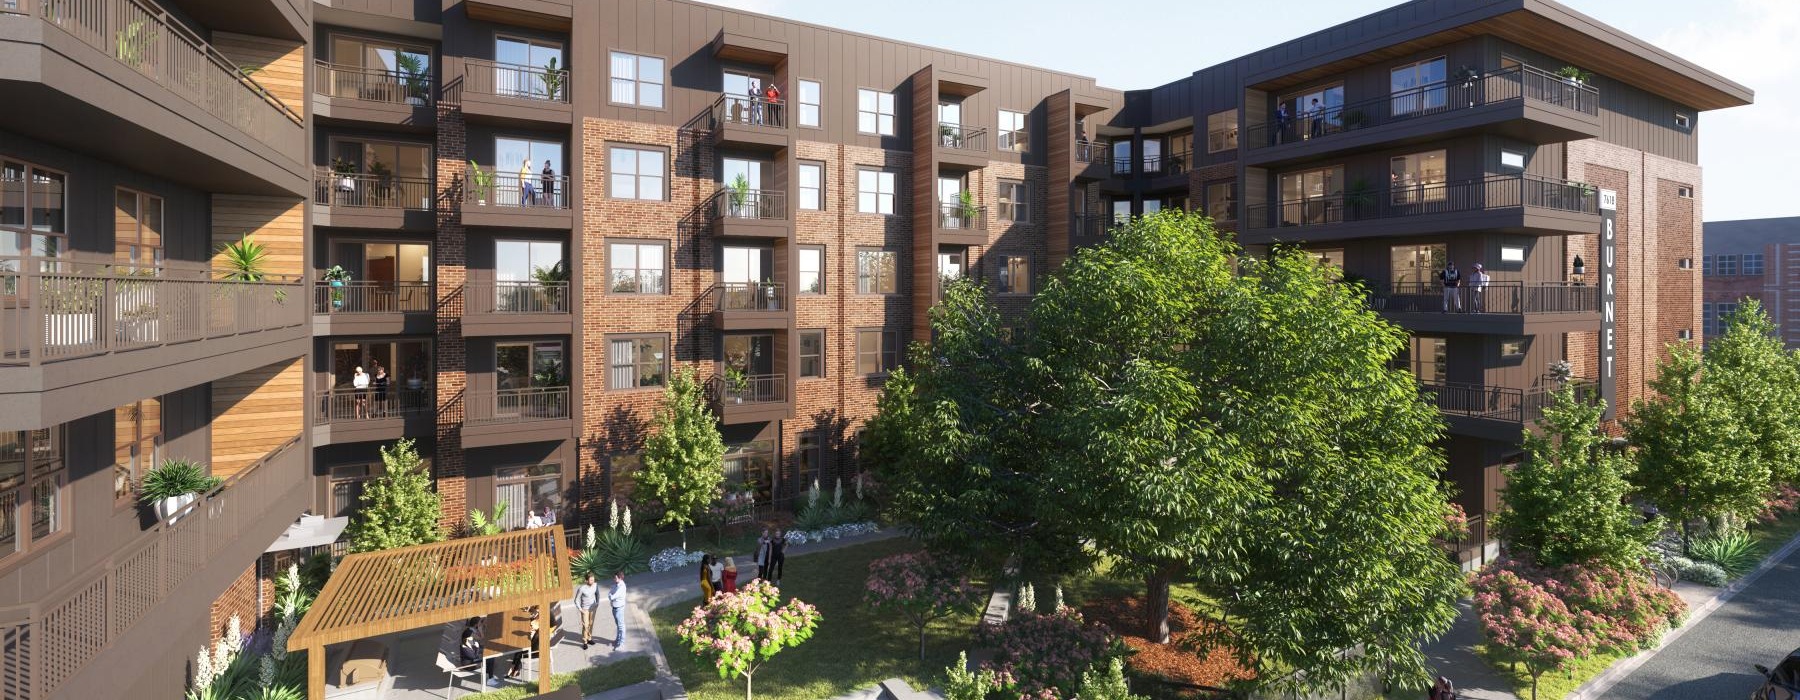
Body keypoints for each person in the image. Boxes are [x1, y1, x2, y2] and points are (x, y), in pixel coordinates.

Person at [507, 607, 541, 679]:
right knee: (518, 651)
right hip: (533, 646)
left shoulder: (537, 628)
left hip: (535, 652)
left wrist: (530, 632)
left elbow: (533, 641)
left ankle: (513, 669)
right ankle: (514, 669)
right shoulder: (537, 625)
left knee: (519, 651)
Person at [574, 572, 600, 650]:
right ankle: (585, 642)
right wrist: (580, 609)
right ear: (586, 580)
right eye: (591, 580)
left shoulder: (595, 585)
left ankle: (589, 638)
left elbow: (597, 594)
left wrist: (597, 602)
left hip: (592, 608)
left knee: (591, 624)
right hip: (584, 609)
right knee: (585, 626)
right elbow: (576, 600)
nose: (592, 581)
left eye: (593, 580)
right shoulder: (582, 589)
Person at [607, 571, 628, 651]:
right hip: (615, 607)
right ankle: (618, 640)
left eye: (615, 578)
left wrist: (610, 595)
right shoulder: (616, 585)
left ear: (620, 578)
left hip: (619, 608)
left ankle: (621, 643)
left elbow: (612, 596)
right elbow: (610, 593)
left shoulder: (621, 587)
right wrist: (610, 595)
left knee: (621, 626)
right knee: (618, 625)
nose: (614, 579)